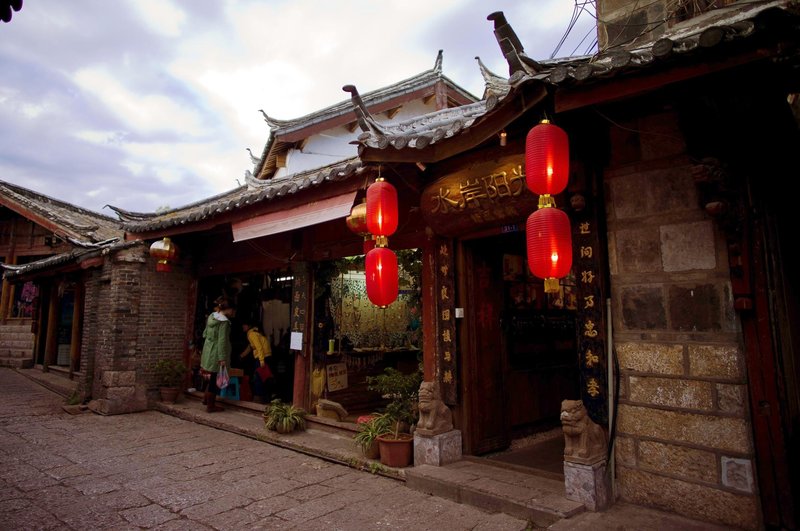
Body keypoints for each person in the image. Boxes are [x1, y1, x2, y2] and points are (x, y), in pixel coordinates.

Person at [200, 296, 234, 412]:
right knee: (215, 378)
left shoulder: (211, 316)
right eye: (232, 310)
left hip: (208, 349)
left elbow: (204, 334)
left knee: (211, 377)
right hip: (216, 352)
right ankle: (211, 406)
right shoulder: (223, 322)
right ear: (228, 309)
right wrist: (222, 358)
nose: (233, 312)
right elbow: (222, 341)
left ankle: (205, 399)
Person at [240, 321, 273, 402]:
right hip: (265, 355)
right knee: (263, 377)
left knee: (259, 378)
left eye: (245, 324)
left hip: (262, 356)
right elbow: (251, 347)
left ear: (249, 326)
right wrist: (242, 355)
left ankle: (259, 398)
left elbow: (259, 347)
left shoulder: (252, 334)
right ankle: (265, 397)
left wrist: (261, 361)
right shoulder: (253, 333)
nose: (243, 326)